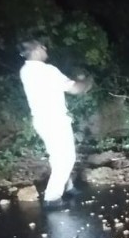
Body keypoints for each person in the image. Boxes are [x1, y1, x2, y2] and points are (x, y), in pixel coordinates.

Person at [18, 40, 93, 208]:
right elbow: (74, 89)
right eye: (42, 46)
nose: (45, 48)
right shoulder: (47, 70)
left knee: (57, 156)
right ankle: (52, 198)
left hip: (41, 120)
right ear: (35, 50)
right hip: (55, 120)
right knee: (66, 158)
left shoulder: (25, 70)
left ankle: (67, 186)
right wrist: (87, 82)